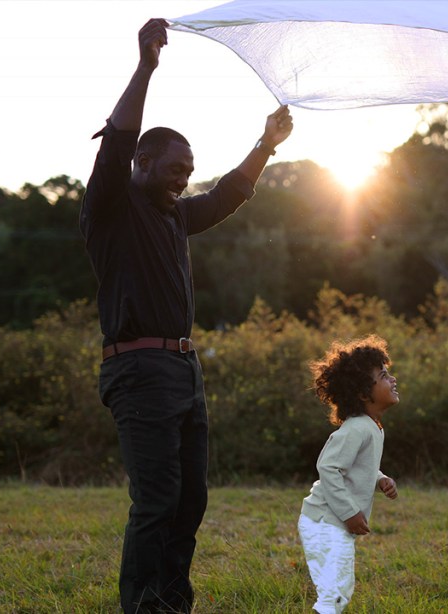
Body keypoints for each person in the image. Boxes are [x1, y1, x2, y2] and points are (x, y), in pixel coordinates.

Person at [79, 18, 294, 613]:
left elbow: (224, 197)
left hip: (182, 370)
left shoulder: (173, 215)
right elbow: (119, 137)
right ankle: (142, 606)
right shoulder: (112, 205)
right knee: (156, 501)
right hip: (138, 370)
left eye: (189, 171)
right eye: (175, 169)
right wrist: (146, 67)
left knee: (190, 500)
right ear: (143, 161)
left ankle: (173, 602)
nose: (184, 179)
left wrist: (266, 144)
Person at [298, 335, 400, 614]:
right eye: (383, 376)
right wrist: (349, 513)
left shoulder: (371, 426)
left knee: (339, 589)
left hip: (331, 523)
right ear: (364, 394)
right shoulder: (356, 428)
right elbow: (329, 467)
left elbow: (358, 466)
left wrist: (380, 478)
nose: (392, 379)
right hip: (324, 522)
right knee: (335, 592)